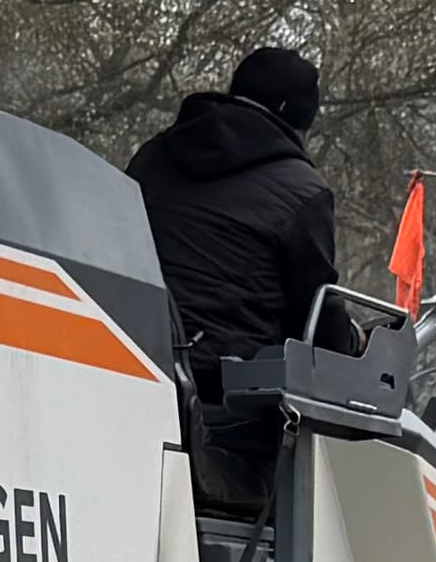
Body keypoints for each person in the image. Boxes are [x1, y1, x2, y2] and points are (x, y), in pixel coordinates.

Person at [123, 43, 338, 357]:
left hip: (131, 350)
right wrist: (354, 340)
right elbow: (316, 320)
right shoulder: (304, 191)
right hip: (228, 375)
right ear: (299, 124)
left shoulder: (152, 156)